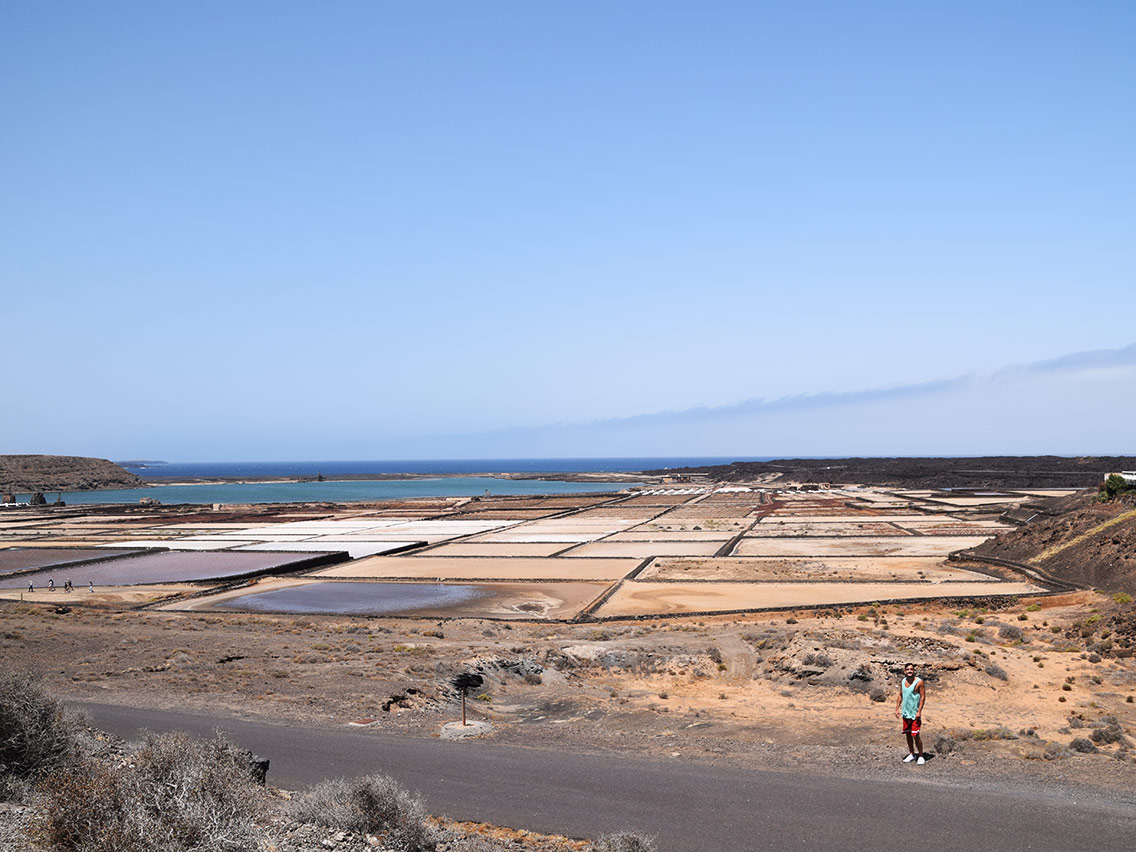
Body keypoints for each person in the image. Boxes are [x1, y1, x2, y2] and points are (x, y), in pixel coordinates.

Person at [895, 662, 926, 764]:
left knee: (916, 735)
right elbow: (900, 695)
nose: (909, 671)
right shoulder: (903, 681)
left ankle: (921, 755)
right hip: (905, 713)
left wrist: (919, 711)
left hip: (914, 714)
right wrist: (897, 709)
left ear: (914, 671)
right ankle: (912, 754)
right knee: (908, 734)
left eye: (911, 669)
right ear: (905, 671)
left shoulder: (919, 682)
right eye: (907, 669)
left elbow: (922, 697)